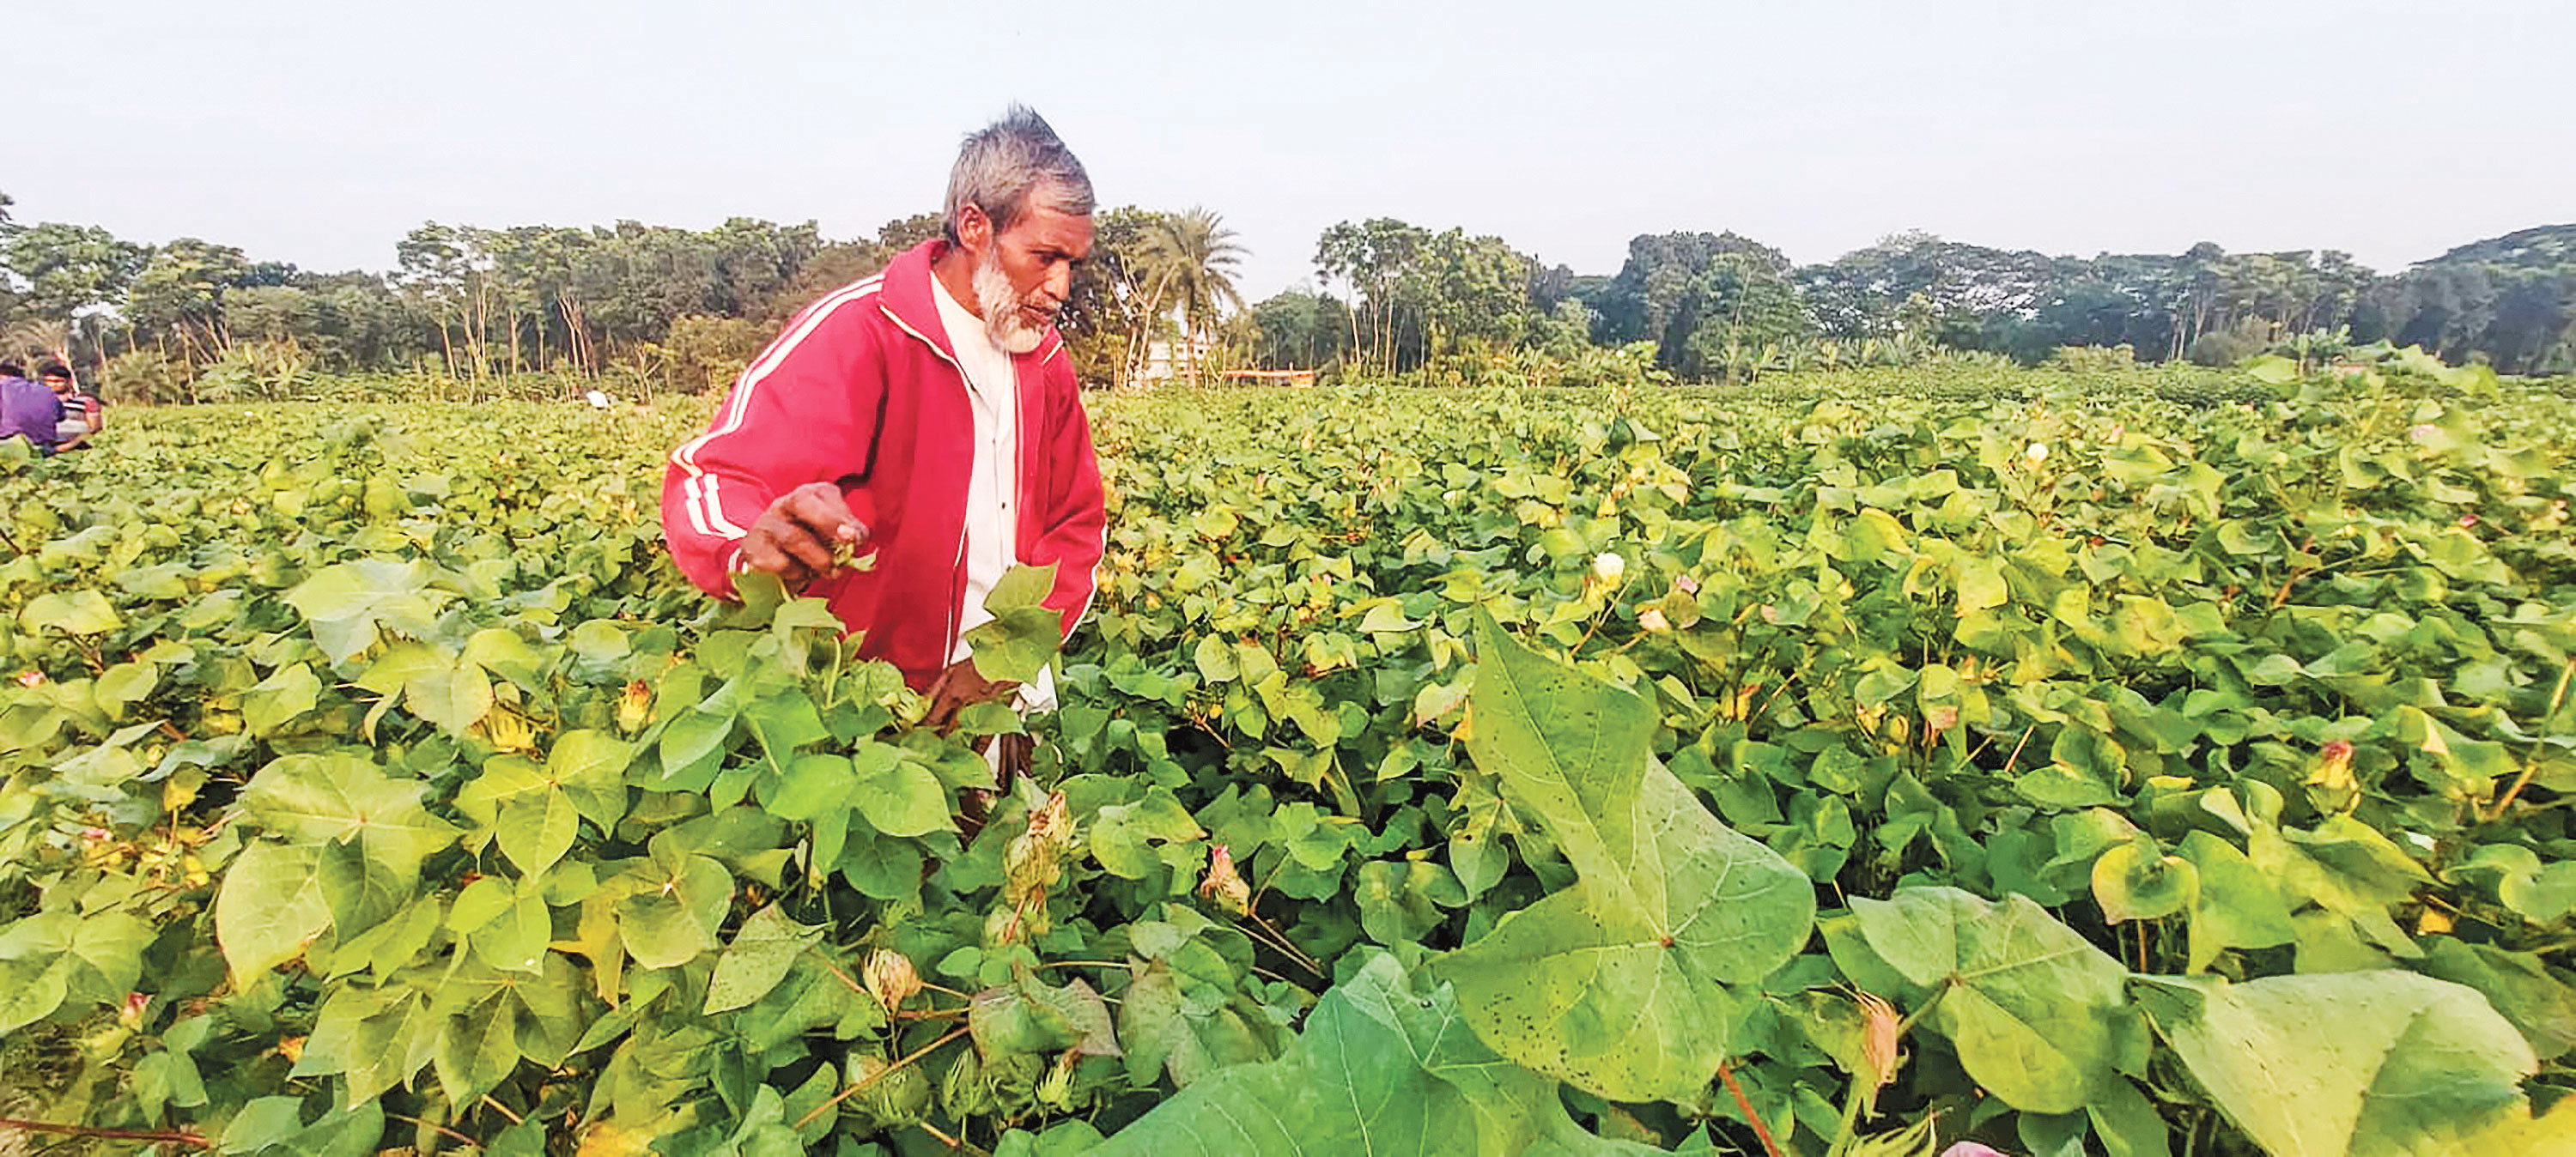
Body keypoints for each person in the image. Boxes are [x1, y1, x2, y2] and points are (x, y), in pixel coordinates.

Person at [660, 106, 1106, 760]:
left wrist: (1007, 662)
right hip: (868, 713)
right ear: (975, 226)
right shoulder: (863, 331)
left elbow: (1077, 523)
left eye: (1073, 263)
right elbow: (715, 478)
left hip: (1005, 706)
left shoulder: (1044, 361)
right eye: (1044, 257)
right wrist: (746, 543)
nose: (1060, 286)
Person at [0, 361, 63, 455]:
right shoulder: (48, 391)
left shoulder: (2, 387)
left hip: (10, 446)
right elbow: (60, 417)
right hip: (44, 446)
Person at [41, 362, 100, 451]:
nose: (53, 385)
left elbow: (95, 427)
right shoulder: (40, 402)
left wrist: (74, 443)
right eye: (49, 381)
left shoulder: (86, 401)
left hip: (80, 448)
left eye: (58, 381)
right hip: (48, 448)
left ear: (69, 382)